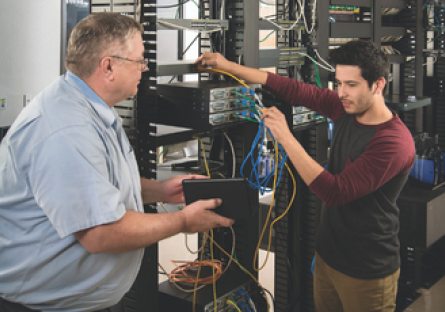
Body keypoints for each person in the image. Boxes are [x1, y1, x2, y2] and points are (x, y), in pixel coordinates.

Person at [0, 12, 233, 312]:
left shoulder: (92, 109)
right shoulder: (67, 128)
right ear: (108, 66)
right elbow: (101, 233)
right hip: (42, 306)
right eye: (139, 61)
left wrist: (160, 191)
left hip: (84, 301)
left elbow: (99, 186)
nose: (144, 69)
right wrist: (182, 221)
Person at [196, 40, 415, 312]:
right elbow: (292, 89)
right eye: (338, 82)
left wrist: (285, 136)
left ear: (379, 85)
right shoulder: (344, 108)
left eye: (352, 85)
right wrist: (228, 66)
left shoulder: (393, 142)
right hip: (328, 257)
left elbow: (335, 192)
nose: (341, 93)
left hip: (367, 270)